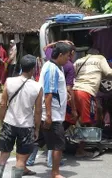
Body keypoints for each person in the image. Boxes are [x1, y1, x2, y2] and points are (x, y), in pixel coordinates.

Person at [0, 54, 43, 178]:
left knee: (3, 155)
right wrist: (37, 128)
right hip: (26, 126)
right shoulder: (37, 87)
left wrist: (2, 122)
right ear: (33, 69)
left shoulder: (9, 81)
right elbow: (38, 111)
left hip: (9, 122)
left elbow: (3, 103)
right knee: (21, 159)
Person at [72, 48, 112, 157]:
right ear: (98, 54)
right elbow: (110, 73)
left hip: (75, 91)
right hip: (86, 92)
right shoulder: (100, 58)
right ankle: (81, 150)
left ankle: (73, 143)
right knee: (88, 121)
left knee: (77, 119)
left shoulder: (78, 61)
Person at [38, 42, 72, 178]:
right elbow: (48, 93)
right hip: (53, 114)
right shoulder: (52, 69)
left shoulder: (55, 66)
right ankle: (55, 172)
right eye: (67, 56)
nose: (68, 59)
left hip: (53, 112)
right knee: (58, 144)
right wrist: (49, 115)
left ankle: (22, 166)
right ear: (60, 55)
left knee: (39, 141)